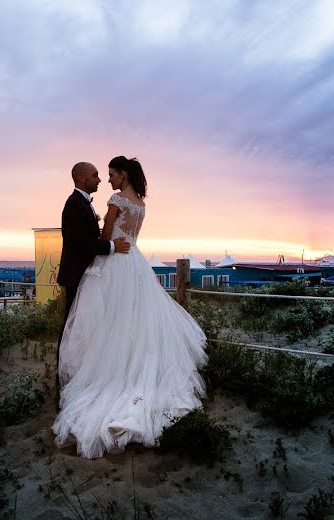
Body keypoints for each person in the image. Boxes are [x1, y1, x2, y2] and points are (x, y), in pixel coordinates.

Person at [53, 156, 207, 459]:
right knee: (133, 320)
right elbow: (129, 237)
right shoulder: (141, 204)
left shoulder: (115, 200)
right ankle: (128, 369)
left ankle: (103, 375)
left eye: (111, 174)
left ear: (123, 175)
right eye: (103, 175)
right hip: (134, 262)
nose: (107, 180)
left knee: (106, 321)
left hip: (114, 264)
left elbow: (106, 237)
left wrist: (104, 236)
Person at [56, 162, 131, 392]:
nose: (99, 179)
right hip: (76, 275)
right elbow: (78, 243)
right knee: (72, 328)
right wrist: (110, 246)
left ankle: (83, 372)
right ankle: (63, 379)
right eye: (95, 175)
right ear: (80, 178)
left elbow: (86, 236)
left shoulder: (83, 204)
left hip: (88, 273)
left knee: (84, 326)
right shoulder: (73, 205)